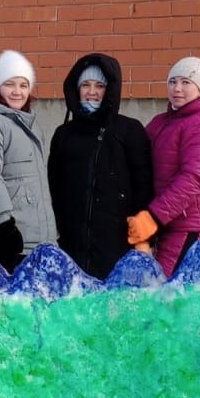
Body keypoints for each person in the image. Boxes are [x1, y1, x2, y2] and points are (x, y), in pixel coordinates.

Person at [47, 54, 154, 279]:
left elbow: (143, 187)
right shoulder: (64, 134)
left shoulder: (129, 131)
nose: (92, 92)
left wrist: (143, 240)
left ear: (110, 90)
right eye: (85, 85)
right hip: (71, 245)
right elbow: (53, 185)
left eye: (99, 86)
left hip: (116, 245)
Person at [127, 56, 200, 276]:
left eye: (186, 82)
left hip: (190, 226)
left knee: (171, 293)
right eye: (173, 82)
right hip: (168, 223)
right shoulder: (162, 122)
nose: (177, 89)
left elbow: (193, 179)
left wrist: (153, 216)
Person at [0, 50, 57, 271]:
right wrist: (3, 226)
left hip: (30, 243)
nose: (17, 92)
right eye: (9, 84)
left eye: (23, 85)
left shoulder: (24, 123)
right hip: (2, 242)